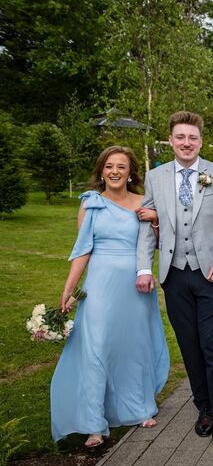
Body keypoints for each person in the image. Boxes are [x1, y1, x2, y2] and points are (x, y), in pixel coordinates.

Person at [135, 111, 213, 444]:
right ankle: (204, 408)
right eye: (180, 137)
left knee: (212, 341)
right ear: (170, 140)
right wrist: (144, 267)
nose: (186, 143)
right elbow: (146, 223)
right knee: (189, 344)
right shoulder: (155, 177)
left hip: (211, 272)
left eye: (192, 138)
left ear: (200, 140)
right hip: (173, 274)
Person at [52, 146, 169, 448]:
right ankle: (94, 423)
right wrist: (69, 290)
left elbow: (158, 244)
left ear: (131, 172)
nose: (115, 172)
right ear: (101, 171)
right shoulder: (90, 204)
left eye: (121, 166)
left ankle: (140, 407)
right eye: (109, 167)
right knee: (97, 347)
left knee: (135, 346)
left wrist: (155, 220)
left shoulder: (144, 203)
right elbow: (82, 250)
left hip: (136, 285)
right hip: (101, 284)